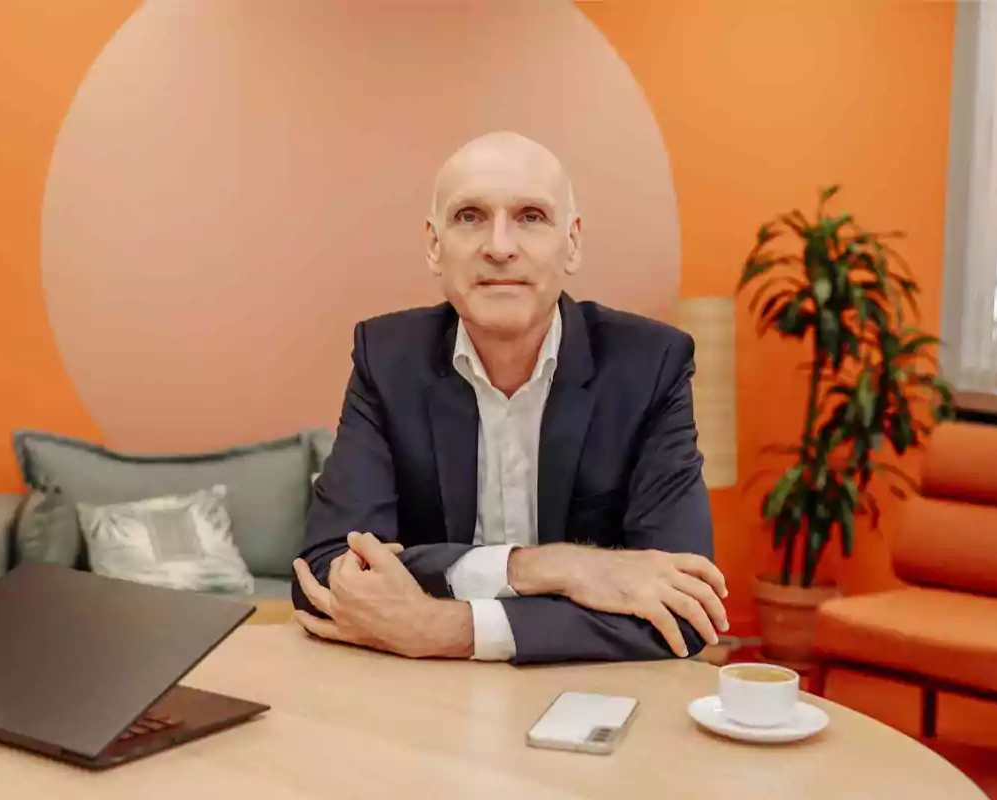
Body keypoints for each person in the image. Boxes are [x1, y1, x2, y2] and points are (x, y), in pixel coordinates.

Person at [291, 131, 727, 664]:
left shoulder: (648, 367)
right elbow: (324, 573)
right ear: (434, 245)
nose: (500, 246)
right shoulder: (387, 360)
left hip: (591, 700)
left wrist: (449, 627)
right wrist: (557, 567)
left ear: (572, 243)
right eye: (470, 216)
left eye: (531, 217)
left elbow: (686, 607)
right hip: (422, 705)